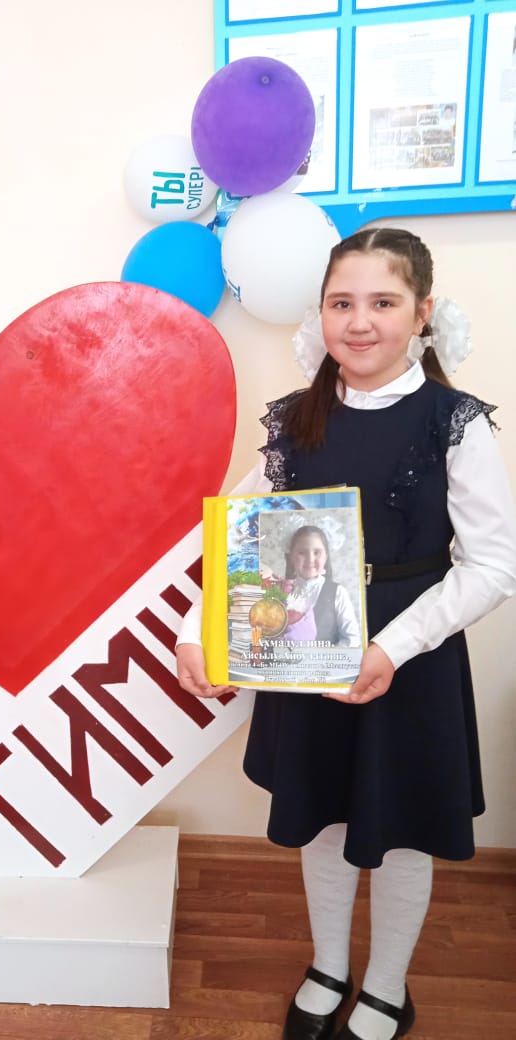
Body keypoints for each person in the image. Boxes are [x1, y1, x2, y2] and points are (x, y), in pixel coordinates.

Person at [175, 227, 516, 1040]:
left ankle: (388, 986)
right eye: (341, 303)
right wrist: (197, 632)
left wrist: (392, 647)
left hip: (409, 660)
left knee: (402, 831)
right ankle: (329, 966)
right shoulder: (295, 421)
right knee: (325, 816)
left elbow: (495, 564)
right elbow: (235, 542)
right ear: (321, 312)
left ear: (422, 313)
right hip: (309, 651)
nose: (359, 322)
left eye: (383, 302)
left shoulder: (454, 423)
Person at [281, 524, 360, 647]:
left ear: (326, 556)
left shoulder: (337, 592)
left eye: (317, 552)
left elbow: (352, 639)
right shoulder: (281, 592)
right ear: (291, 557)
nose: (310, 559)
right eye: (302, 552)